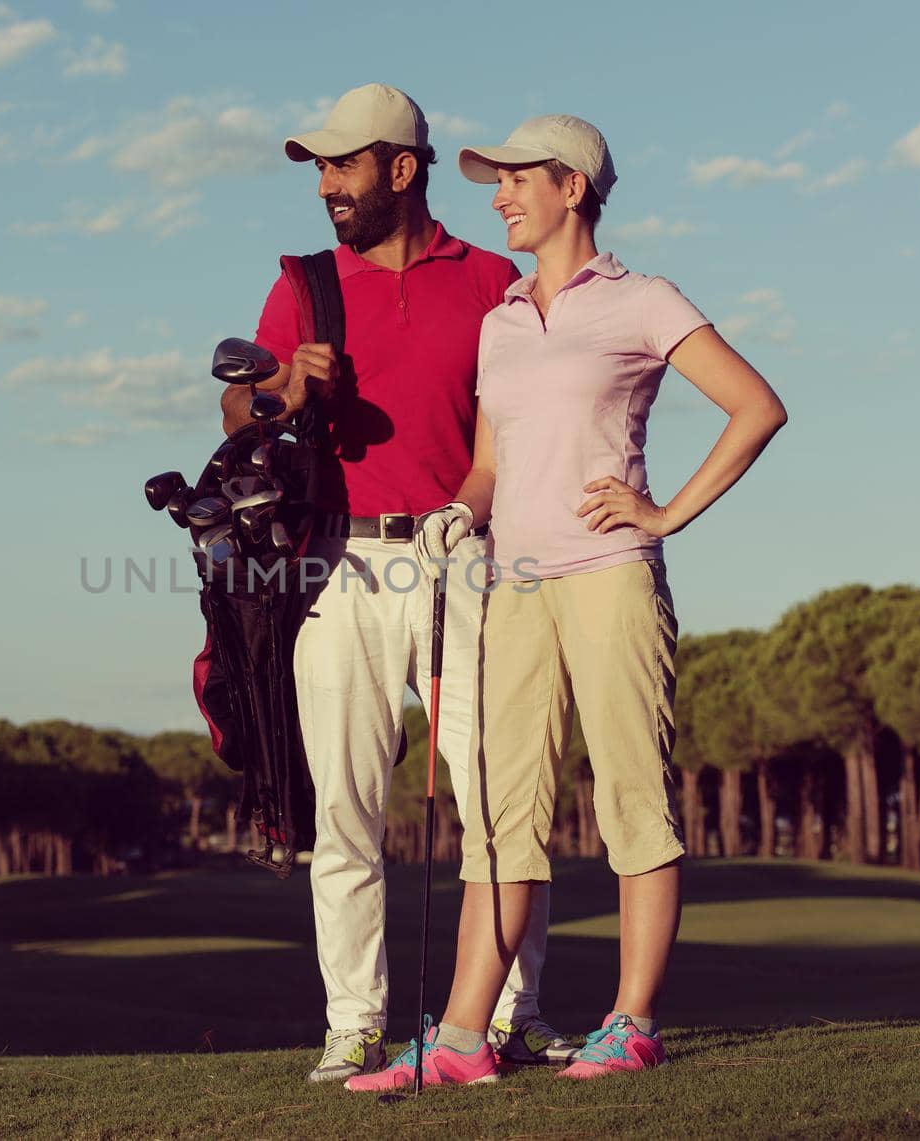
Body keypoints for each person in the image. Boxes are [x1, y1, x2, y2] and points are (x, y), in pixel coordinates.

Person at [347, 114, 788, 1091]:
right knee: (499, 816)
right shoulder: (501, 322)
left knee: (633, 796)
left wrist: (663, 510)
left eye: (514, 180)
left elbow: (756, 406)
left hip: (610, 577)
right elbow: (491, 466)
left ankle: (631, 1022)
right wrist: (454, 515)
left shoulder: (640, 299)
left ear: (571, 188)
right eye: (494, 183)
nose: (497, 196)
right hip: (517, 588)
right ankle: (463, 1036)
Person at [220, 84, 577, 1083]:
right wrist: (287, 387)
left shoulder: (492, 283)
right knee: (345, 808)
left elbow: (522, 428)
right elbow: (236, 410)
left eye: (343, 165)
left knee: (495, 799)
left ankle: (507, 1014)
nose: (327, 184)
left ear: (403, 169)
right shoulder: (303, 284)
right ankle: (354, 1021)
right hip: (337, 563)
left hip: (468, 556)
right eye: (320, 169)